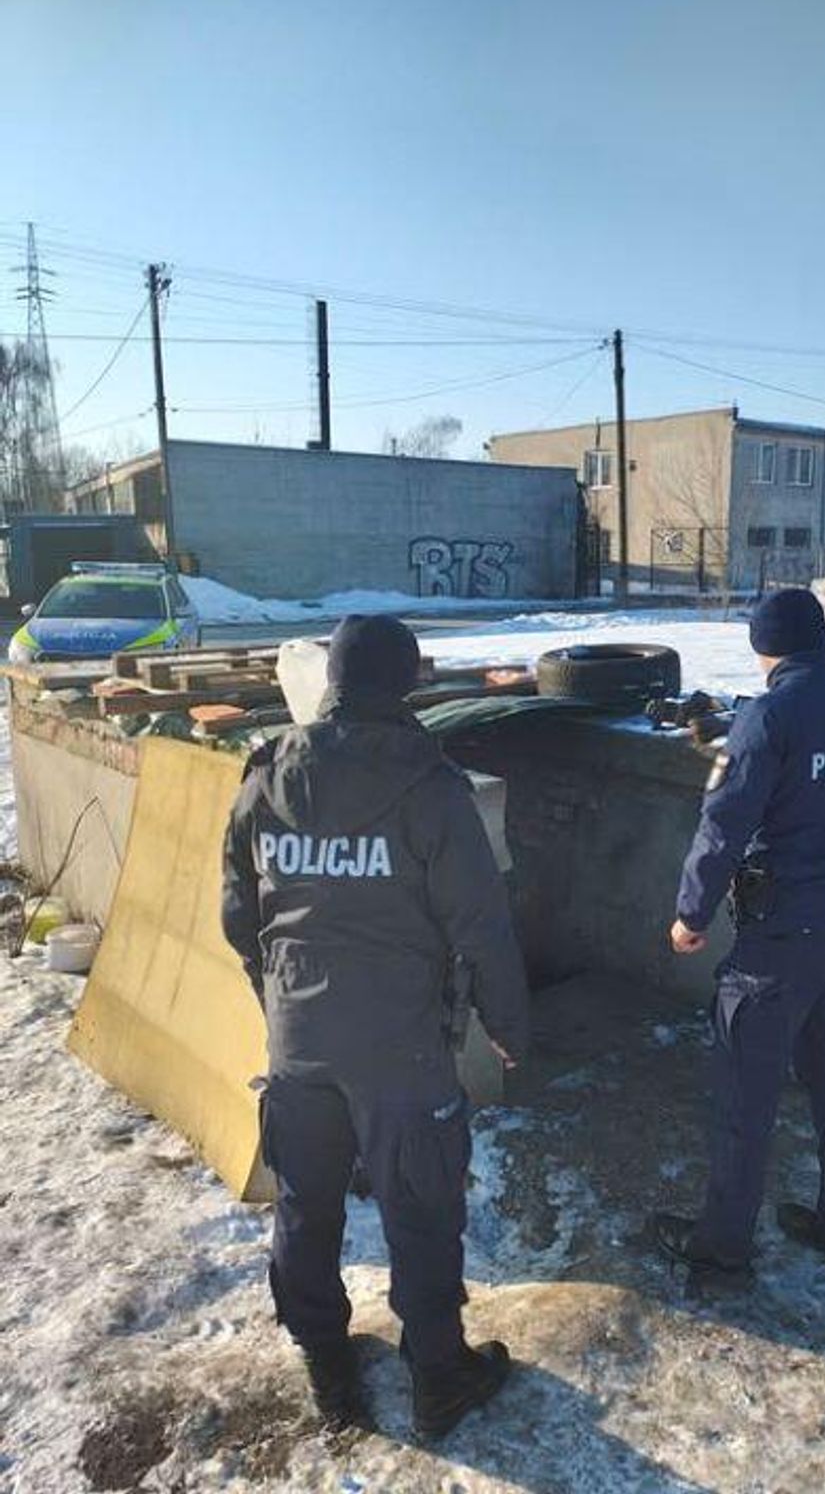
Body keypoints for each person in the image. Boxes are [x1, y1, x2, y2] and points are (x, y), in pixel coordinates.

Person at [221, 614, 529, 1439]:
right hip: (400, 1047)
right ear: (408, 686)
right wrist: (509, 1027)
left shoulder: (268, 772)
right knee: (422, 1209)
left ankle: (326, 1358)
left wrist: (278, 996)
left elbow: (236, 911)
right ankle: (439, 1377)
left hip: (300, 1037)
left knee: (306, 1202)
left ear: (332, 683)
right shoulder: (432, 789)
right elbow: (482, 925)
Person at [654, 587, 825, 1290]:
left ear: (762, 646)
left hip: (779, 937)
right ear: (822, 642)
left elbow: (724, 825)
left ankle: (720, 1249)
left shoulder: (766, 719)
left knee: (747, 1089)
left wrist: (692, 915)